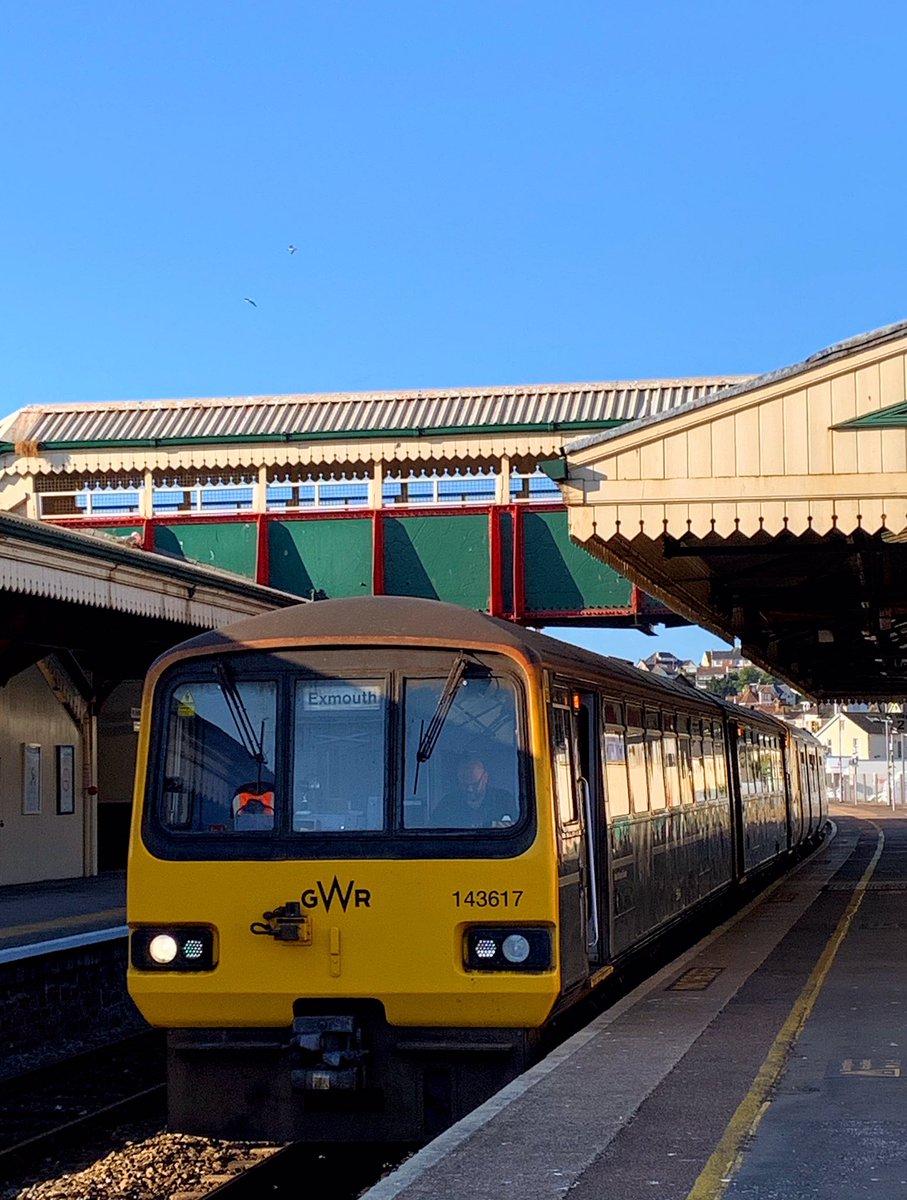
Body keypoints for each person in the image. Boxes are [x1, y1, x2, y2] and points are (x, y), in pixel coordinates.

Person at [431, 757, 516, 829]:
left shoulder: (503, 800)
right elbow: (433, 831)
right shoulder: (447, 804)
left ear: (485, 778)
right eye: (464, 784)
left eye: (475, 784)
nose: (469, 789)